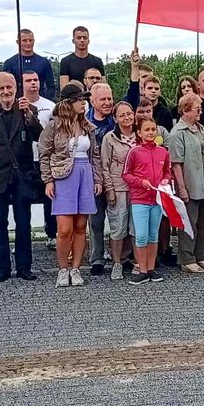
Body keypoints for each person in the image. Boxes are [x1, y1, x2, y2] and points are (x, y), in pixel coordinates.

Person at [0, 72, 43, 283]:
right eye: (1, 88)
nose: (6, 92)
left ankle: (24, 267)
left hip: (21, 176)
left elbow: (39, 136)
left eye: (9, 87)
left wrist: (29, 117)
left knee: (24, 223)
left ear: (15, 87)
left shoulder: (27, 110)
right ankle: (2, 267)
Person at [41, 83, 101, 287]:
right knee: (64, 228)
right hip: (63, 175)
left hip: (85, 173)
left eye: (84, 100)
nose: (83, 103)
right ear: (69, 102)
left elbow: (96, 155)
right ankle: (62, 269)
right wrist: (48, 180)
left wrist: (98, 179)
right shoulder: (54, 125)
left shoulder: (88, 126)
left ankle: (76, 268)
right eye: (79, 100)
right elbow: (44, 153)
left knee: (80, 226)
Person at [122, 117, 172, 285]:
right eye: (147, 130)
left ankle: (150, 268)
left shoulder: (163, 152)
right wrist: (140, 182)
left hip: (156, 200)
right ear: (139, 133)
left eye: (153, 129)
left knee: (153, 235)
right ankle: (142, 269)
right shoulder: (134, 151)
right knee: (141, 235)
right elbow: (126, 174)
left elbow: (167, 172)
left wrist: (165, 180)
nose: (150, 133)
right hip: (140, 199)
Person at [169, 93, 204, 273]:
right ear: (186, 110)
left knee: (203, 219)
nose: (200, 112)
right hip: (190, 180)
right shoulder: (177, 133)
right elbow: (176, 163)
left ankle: (200, 254)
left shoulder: (200, 127)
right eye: (197, 109)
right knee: (189, 220)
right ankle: (186, 258)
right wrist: (182, 188)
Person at [100, 101, 137, 280]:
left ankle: (136, 261)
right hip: (118, 187)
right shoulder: (110, 138)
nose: (127, 117)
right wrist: (109, 189)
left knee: (136, 227)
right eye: (122, 115)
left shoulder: (141, 135)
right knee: (118, 227)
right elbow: (104, 166)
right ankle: (116, 263)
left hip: (139, 189)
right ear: (115, 118)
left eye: (129, 113)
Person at [22, 70, 57, 247]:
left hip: (45, 158)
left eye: (35, 79)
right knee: (24, 200)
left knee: (49, 198)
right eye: (28, 80)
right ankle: (24, 236)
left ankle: (52, 234)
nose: (33, 83)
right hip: (25, 159)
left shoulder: (50, 106)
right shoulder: (17, 105)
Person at [85, 82, 116, 274]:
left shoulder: (117, 120)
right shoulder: (83, 121)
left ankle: (122, 256)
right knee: (95, 221)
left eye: (109, 99)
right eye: (102, 99)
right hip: (92, 178)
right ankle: (97, 258)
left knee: (119, 219)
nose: (107, 103)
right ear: (92, 101)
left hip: (115, 178)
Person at [2, 28, 56, 101]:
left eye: (30, 40)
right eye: (24, 40)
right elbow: (5, 86)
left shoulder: (44, 62)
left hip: (40, 103)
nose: (28, 43)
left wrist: (44, 101)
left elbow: (51, 87)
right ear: (18, 42)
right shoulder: (10, 63)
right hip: (17, 104)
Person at [59, 25, 105, 90]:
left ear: (88, 41)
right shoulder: (66, 62)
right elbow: (64, 88)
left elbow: (103, 86)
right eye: (79, 38)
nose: (82, 40)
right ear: (73, 41)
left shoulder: (97, 61)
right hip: (74, 98)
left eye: (85, 38)